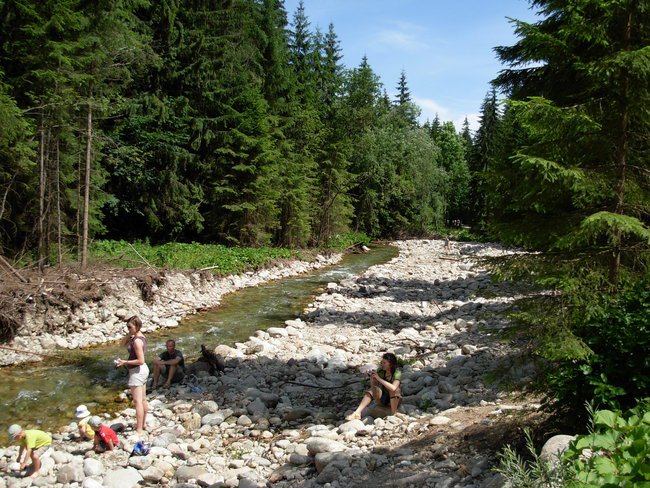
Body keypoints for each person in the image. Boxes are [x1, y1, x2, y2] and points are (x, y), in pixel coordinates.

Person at [114, 315, 149, 436]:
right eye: (127, 326)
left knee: (138, 401)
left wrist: (125, 362)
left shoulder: (137, 341)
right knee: (143, 399)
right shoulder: (139, 336)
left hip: (137, 371)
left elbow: (141, 360)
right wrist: (129, 334)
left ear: (137, 326)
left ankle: (139, 430)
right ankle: (143, 424)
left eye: (130, 327)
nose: (128, 329)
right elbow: (122, 344)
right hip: (142, 371)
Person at [345, 352, 402, 420]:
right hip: (382, 399)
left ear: (391, 364)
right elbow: (374, 387)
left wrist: (379, 378)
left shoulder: (397, 372)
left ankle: (393, 413)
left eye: (384, 363)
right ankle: (357, 412)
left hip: (394, 400)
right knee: (371, 390)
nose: (382, 364)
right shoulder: (381, 371)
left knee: (395, 390)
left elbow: (393, 388)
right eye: (382, 362)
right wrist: (372, 379)